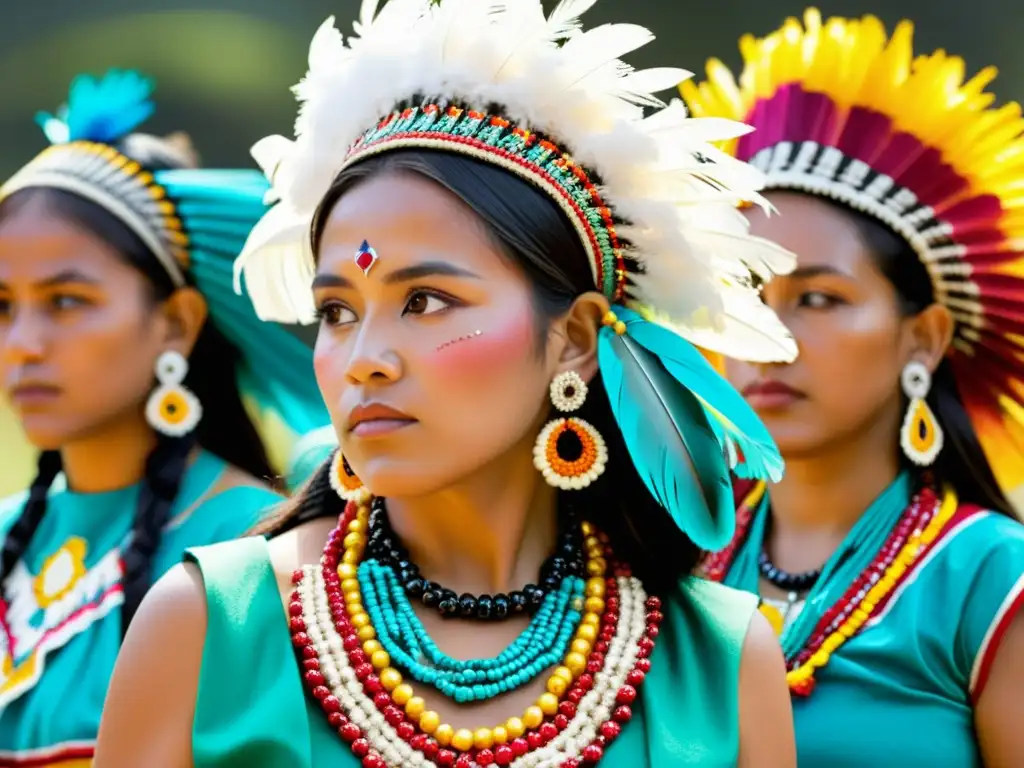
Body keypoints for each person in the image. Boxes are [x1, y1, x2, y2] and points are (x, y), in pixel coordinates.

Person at [95, 2, 800, 766]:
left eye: (425, 302)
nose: (366, 357)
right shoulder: (210, 628)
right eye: (336, 310)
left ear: (573, 340)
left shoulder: (721, 660)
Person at [680, 9, 1024, 766]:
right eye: (746, 297)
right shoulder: (673, 559)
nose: (769, 341)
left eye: (818, 298)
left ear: (923, 336)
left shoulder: (992, 580)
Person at [0, 69, 328, 763]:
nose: (22, 343)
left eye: (65, 301)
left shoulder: (257, 557)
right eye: (3, 307)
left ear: (176, 323)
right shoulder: (6, 534)